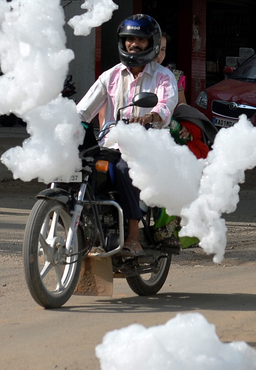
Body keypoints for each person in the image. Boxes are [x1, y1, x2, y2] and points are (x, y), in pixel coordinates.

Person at [76, 14, 180, 255]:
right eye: (129, 39)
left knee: (126, 169)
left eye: (140, 40)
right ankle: (87, 227)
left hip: (149, 145)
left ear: (150, 43)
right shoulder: (110, 76)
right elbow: (83, 110)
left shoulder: (163, 76)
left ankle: (133, 236)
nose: (134, 44)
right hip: (112, 143)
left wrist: (150, 116)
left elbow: (166, 105)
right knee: (81, 166)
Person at [155, 32, 187, 105]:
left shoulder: (173, 77)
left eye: (163, 49)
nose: (159, 55)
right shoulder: (128, 72)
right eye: (155, 48)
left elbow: (182, 108)